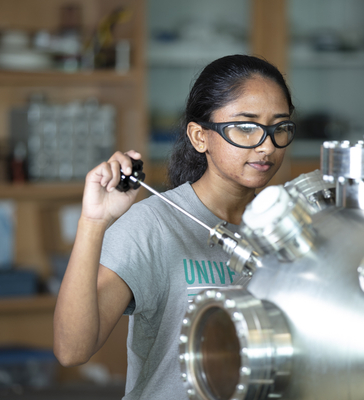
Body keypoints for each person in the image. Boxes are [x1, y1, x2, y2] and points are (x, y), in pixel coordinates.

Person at [53, 54, 296, 399]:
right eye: (246, 126)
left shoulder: (287, 229)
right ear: (200, 137)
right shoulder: (152, 225)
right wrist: (94, 221)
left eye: (280, 128)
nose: (268, 145)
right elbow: (72, 350)